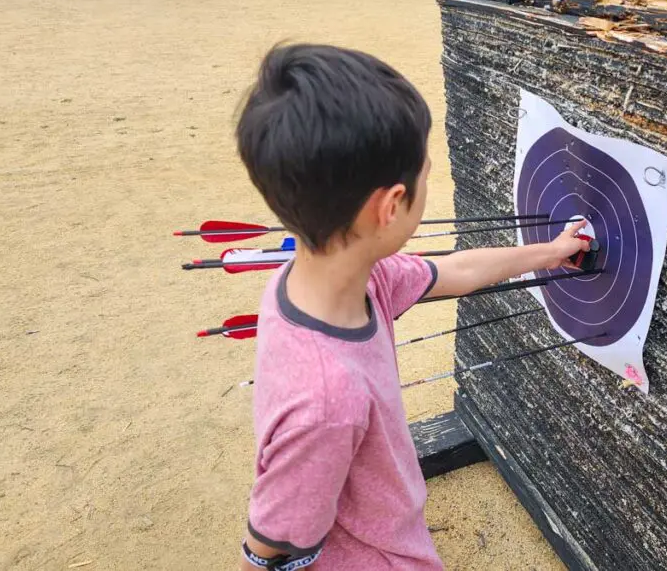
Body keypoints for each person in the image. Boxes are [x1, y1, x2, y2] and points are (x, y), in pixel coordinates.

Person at [235, 42, 589, 571]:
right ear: (392, 205)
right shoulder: (329, 403)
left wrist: (552, 251)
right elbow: (271, 547)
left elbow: (456, 271)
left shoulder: (339, 274)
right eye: (426, 174)